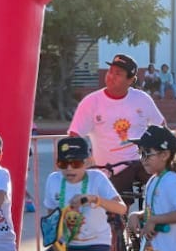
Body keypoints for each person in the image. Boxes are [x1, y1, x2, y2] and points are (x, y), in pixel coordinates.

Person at [70, 52, 165, 202]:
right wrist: (84, 156)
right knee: (118, 209)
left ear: (130, 80)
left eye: (118, 73)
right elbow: (74, 135)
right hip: (110, 167)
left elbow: (161, 127)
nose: (111, 76)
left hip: (142, 160)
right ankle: (122, 221)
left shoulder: (142, 98)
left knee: (165, 185)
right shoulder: (92, 102)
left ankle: (157, 220)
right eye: (110, 71)